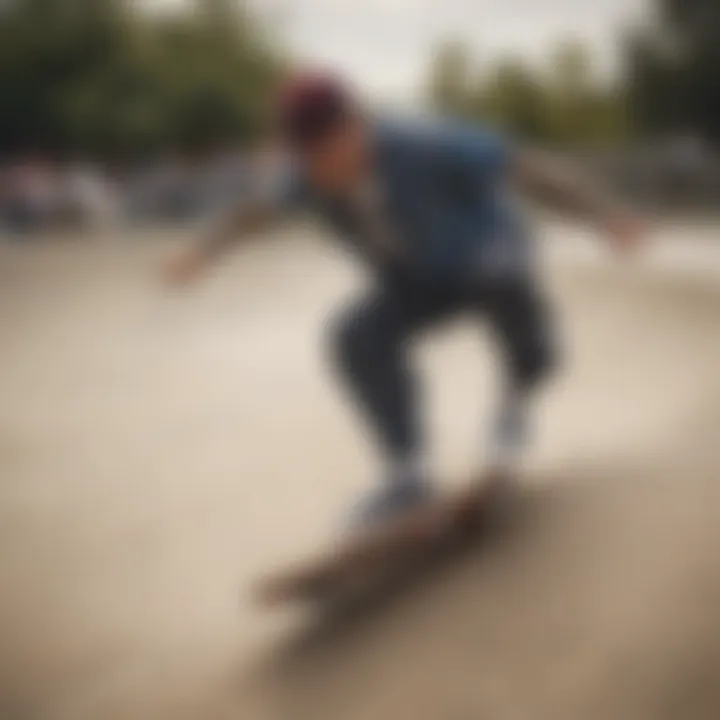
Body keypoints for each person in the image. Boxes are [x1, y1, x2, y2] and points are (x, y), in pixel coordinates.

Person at [165, 72, 647, 533]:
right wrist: (202, 253)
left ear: (355, 128)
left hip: (485, 252)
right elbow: (256, 214)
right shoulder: (305, 176)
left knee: (502, 280)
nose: (321, 171)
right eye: (308, 159)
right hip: (417, 280)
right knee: (354, 336)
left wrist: (602, 215)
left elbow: (520, 166)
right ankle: (408, 473)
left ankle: (514, 404)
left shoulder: (425, 143)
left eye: (327, 153)